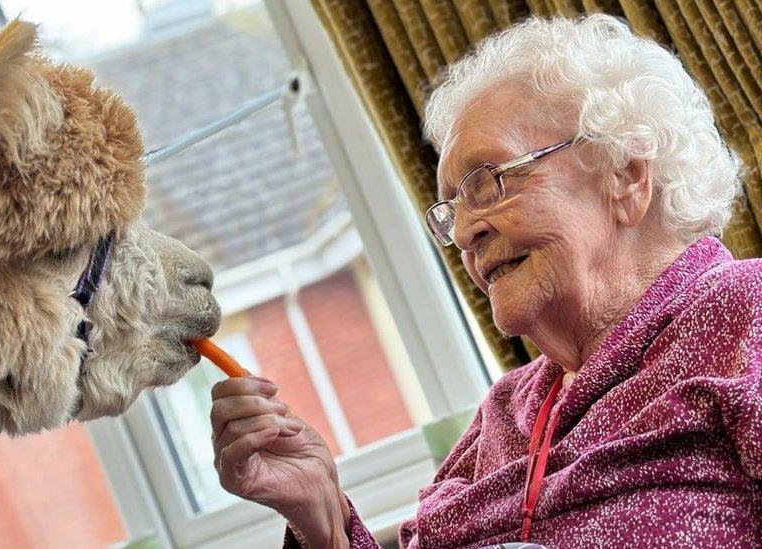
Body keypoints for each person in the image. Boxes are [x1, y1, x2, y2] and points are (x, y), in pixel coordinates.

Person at [209, 14, 762, 548]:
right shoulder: (501, 416)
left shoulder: (743, 315)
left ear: (624, 176)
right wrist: (323, 519)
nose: (466, 231)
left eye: (490, 181)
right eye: (450, 209)